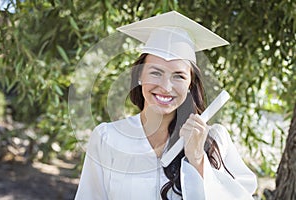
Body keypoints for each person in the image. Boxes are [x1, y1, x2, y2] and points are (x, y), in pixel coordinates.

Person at [75, 11, 257, 200]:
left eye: (178, 76)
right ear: (139, 76)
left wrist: (197, 159)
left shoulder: (214, 139)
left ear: (190, 84)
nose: (165, 86)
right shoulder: (108, 139)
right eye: (155, 73)